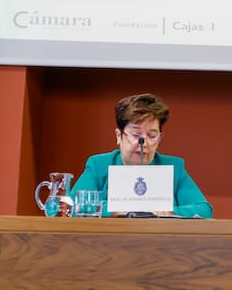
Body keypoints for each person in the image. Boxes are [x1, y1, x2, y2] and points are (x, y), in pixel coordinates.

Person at [72, 93, 213, 218]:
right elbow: (74, 207)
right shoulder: (99, 165)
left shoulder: (174, 168)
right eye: (136, 134)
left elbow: (204, 210)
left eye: (152, 136)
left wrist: (168, 212)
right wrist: (116, 210)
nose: (143, 142)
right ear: (118, 136)